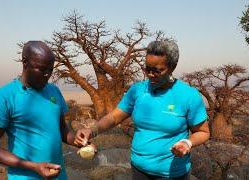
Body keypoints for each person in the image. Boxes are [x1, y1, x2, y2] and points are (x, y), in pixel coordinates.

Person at [74, 40, 210, 179]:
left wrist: (187, 143)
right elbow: (114, 117)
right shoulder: (137, 90)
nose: (150, 74)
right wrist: (92, 131)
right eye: (147, 69)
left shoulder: (188, 96)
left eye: (156, 70)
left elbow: (203, 132)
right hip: (139, 170)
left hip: (172, 174)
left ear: (172, 67)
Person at [0, 41, 78, 179]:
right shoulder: (4, 96)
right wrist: (33, 166)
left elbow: (62, 129)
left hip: (58, 175)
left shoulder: (54, 91)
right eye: (41, 69)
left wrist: (77, 141)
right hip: (25, 176)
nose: (47, 75)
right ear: (25, 62)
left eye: (50, 70)